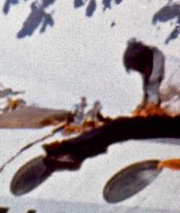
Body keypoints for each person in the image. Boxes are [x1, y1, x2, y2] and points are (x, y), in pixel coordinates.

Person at [43, 40, 180, 171]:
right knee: (117, 127)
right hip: (166, 120)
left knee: (119, 126)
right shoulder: (154, 70)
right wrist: (143, 109)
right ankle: (73, 152)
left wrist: (165, 111)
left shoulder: (174, 71)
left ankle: (68, 149)